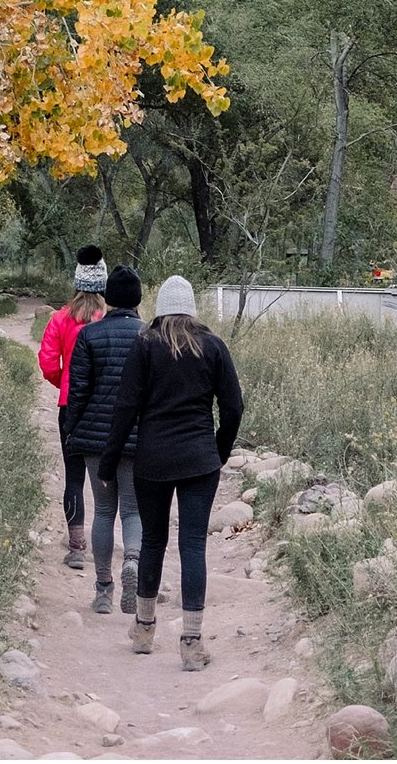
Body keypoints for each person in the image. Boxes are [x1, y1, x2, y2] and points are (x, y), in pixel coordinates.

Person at [99, 274, 244, 670]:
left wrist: (110, 462)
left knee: (153, 542)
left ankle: (144, 630)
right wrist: (219, 450)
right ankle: (192, 643)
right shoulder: (213, 346)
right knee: (193, 546)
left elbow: (125, 408)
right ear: (193, 308)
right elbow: (233, 407)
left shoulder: (144, 346)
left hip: (153, 459)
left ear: (159, 309)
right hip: (200, 460)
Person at [60, 265, 147, 616]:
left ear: (108, 298)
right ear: (139, 299)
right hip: (137, 438)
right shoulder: (148, 335)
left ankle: (103, 589)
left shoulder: (89, 336)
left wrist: (73, 431)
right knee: (132, 509)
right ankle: (133, 561)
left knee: (104, 510)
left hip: (96, 439)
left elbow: (77, 391)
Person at [36, 245, 107, 569]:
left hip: (71, 407)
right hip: (106, 409)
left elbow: (48, 362)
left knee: (74, 477)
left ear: (77, 282)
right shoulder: (108, 318)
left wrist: (64, 384)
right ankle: (108, 541)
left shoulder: (61, 318)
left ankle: (77, 545)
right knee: (109, 477)